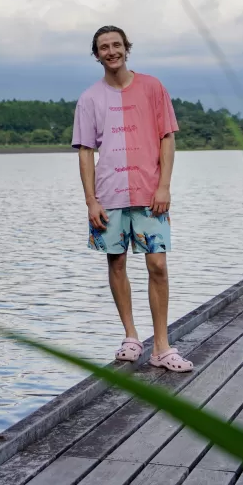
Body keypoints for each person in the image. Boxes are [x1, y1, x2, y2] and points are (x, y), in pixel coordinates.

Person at [72, 25, 193, 372]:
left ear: (127, 48)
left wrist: (165, 186)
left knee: (157, 264)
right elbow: (84, 151)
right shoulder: (89, 98)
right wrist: (90, 201)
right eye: (103, 48)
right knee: (117, 263)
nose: (111, 51)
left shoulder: (153, 87)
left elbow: (167, 138)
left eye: (116, 45)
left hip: (150, 191)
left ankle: (162, 347)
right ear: (96, 56)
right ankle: (130, 336)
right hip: (109, 194)